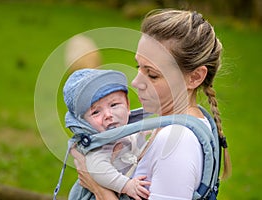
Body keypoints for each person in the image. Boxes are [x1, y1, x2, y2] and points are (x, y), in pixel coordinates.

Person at [70, 9, 232, 199]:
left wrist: (98, 188)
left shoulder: (176, 143)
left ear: (195, 77)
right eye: (139, 67)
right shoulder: (170, 124)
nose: (136, 83)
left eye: (152, 74)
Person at [63, 68, 151, 200]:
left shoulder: (127, 130)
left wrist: (142, 137)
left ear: (127, 106)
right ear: (84, 123)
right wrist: (126, 185)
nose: (108, 115)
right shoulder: (99, 145)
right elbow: (98, 169)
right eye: (95, 112)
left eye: (114, 105)